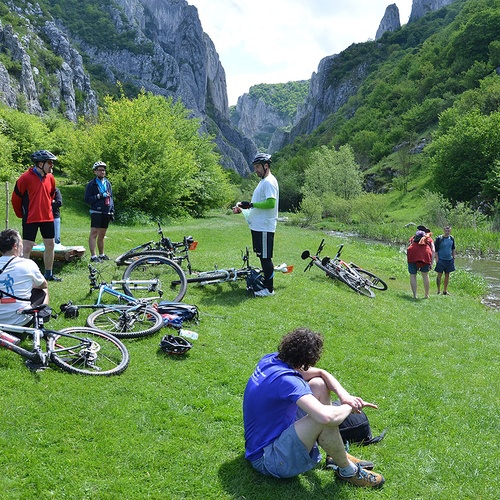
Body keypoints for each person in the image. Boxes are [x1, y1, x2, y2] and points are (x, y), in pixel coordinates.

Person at [243, 327, 385, 488]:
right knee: (321, 418)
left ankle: (335, 455)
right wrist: (348, 406)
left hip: (262, 443)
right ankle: (348, 471)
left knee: (319, 385)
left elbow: (321, 373)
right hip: (267, 460)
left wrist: (344, 396)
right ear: (307, 360)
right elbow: (326, 417)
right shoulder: (288, 381)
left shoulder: (271, 360)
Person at [11, 149, 62, 281]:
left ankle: (48, 274)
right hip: (30, 217)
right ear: (40, 164)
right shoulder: (25, 178)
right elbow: (15, 198)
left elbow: (51, 194)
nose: (52, 165)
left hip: (47, 217)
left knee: (50, 245)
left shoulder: (50, 178)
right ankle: (24, 276)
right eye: (49, 162)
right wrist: (21, 214)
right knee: (27, 248)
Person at [233, 153, 279, 297]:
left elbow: (271, 203)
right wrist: (244, 208)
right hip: (258, 226)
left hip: (265, 227)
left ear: (266, 166)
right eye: (255, 167)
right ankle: (265, 284)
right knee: (262, 257)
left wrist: (251, 204)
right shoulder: (263, 181)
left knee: (266, 258)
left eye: (258, 167)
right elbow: (258, 204)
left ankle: (269, 289)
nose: (256, 170)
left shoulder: (269, 182)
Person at [0, 229, 49, 327]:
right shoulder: (28, 264)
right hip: (20, 320)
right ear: (15, 246)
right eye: (21, 242)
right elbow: (43, 285)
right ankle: (39, 320)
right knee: (44, 289)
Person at [84, 161, 114, 263]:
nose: (102, 172)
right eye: (100, 170)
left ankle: (102, 254)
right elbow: (87, 199)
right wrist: (99, 196)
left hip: (106, 211)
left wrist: (112, 211)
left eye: (104, 170)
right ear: (95, 171)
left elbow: (111, 197)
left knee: (102, 234)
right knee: (94, 233)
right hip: (96, 211)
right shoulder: (91, 184)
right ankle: (93, 256)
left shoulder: (107, 183)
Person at [407, 227, 435, 299]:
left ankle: (414, 295)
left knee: (413, 275)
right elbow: (433, 250)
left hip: (413, 254)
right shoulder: (429, 239)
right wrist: (431, 263)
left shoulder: (413, 237)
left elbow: (409, 245)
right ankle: (426, 295)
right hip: (425, 255)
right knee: (425, 275)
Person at [434, 225, 456, 295]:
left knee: (447, 275)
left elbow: (453, 248)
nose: (447, 232)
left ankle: (445, 291)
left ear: (450, 231)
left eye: (448, 230)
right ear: (444, 230)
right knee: (439, 275)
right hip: (441, 260)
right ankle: (438, 290)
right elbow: (435, 250)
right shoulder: (439, 238)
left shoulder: (451, 238)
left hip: (449, 260)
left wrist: (453, 257)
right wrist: (437, 259)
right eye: (446, 230)